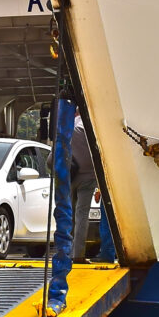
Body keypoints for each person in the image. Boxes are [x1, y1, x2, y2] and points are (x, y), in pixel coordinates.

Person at [67, 110, 97, 263]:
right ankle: (78, 255)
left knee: (67, 215)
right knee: (82, 216)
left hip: (69, 175)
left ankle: (65, 252)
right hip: (89, 177)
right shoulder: (93, 128)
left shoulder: (67, 128)